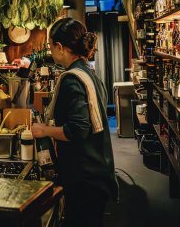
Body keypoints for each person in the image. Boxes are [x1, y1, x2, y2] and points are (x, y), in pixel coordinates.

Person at [31, 18, 118, 227]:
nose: (50, 51)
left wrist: (44, 130)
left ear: (59, 47)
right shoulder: (89, 74)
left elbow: (78, 130)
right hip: (98, 173)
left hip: (85, 179)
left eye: (50, 46)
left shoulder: (72, 79)